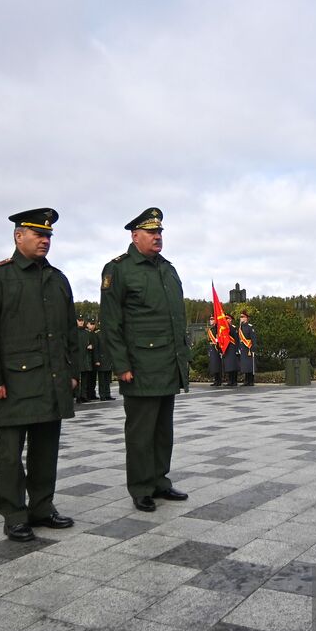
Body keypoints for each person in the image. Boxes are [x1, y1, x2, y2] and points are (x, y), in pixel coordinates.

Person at [0, 207, 79, 541]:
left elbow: (69, 334)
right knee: (10, 452)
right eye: (38, 234)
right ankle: (14, 513)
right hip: (14, 381)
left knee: (46, 449)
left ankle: (42, 508)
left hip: (51, 379)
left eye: (48, 236)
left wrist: (72, 372)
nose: (45, 240)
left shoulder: (58, 279)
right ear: (19, 237)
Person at [99, 207, 190, 512]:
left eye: (160, 232)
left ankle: (159, 480)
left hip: (167, 363)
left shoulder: (167, 268)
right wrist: (121, 365)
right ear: (134, 236)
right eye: (151, 232)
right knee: (140, 432)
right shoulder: (119, 270)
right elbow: (111, 323)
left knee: (163, 429)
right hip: (139, 366)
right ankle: (140, 486)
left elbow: (176, 318)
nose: (158, 237)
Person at [89, 318, 114, 400]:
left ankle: (108, 394)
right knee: (102, 379)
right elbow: (96, 348)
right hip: (101, 359)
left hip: (109, 359)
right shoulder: (97, 334)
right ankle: (102, 395)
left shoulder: (110, 333)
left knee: (107, 379)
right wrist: (96, 360)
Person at [236, 310, 257, 386]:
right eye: (240, 317)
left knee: (250, 365)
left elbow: (253, 338)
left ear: (246, 318)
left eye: (242, 317)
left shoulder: (250, 327)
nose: (241, 318)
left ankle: (251, 381)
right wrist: (238, 348)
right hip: (242, 348)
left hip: (249, 348)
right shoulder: (240, 327)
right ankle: (246, 380)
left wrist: (254, 348)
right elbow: (239, 339)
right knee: (245, 365)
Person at [206, 317, 223, 386]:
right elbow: (209, 340)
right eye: (210, 319)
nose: (211, 321)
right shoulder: (211, 329)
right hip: (212, 348)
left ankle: (219, 380)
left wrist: (217, 341)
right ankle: (216, 380)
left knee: (217, 365)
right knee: (214, 365)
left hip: (216, 348)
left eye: (212, 319)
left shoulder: (217, 328)